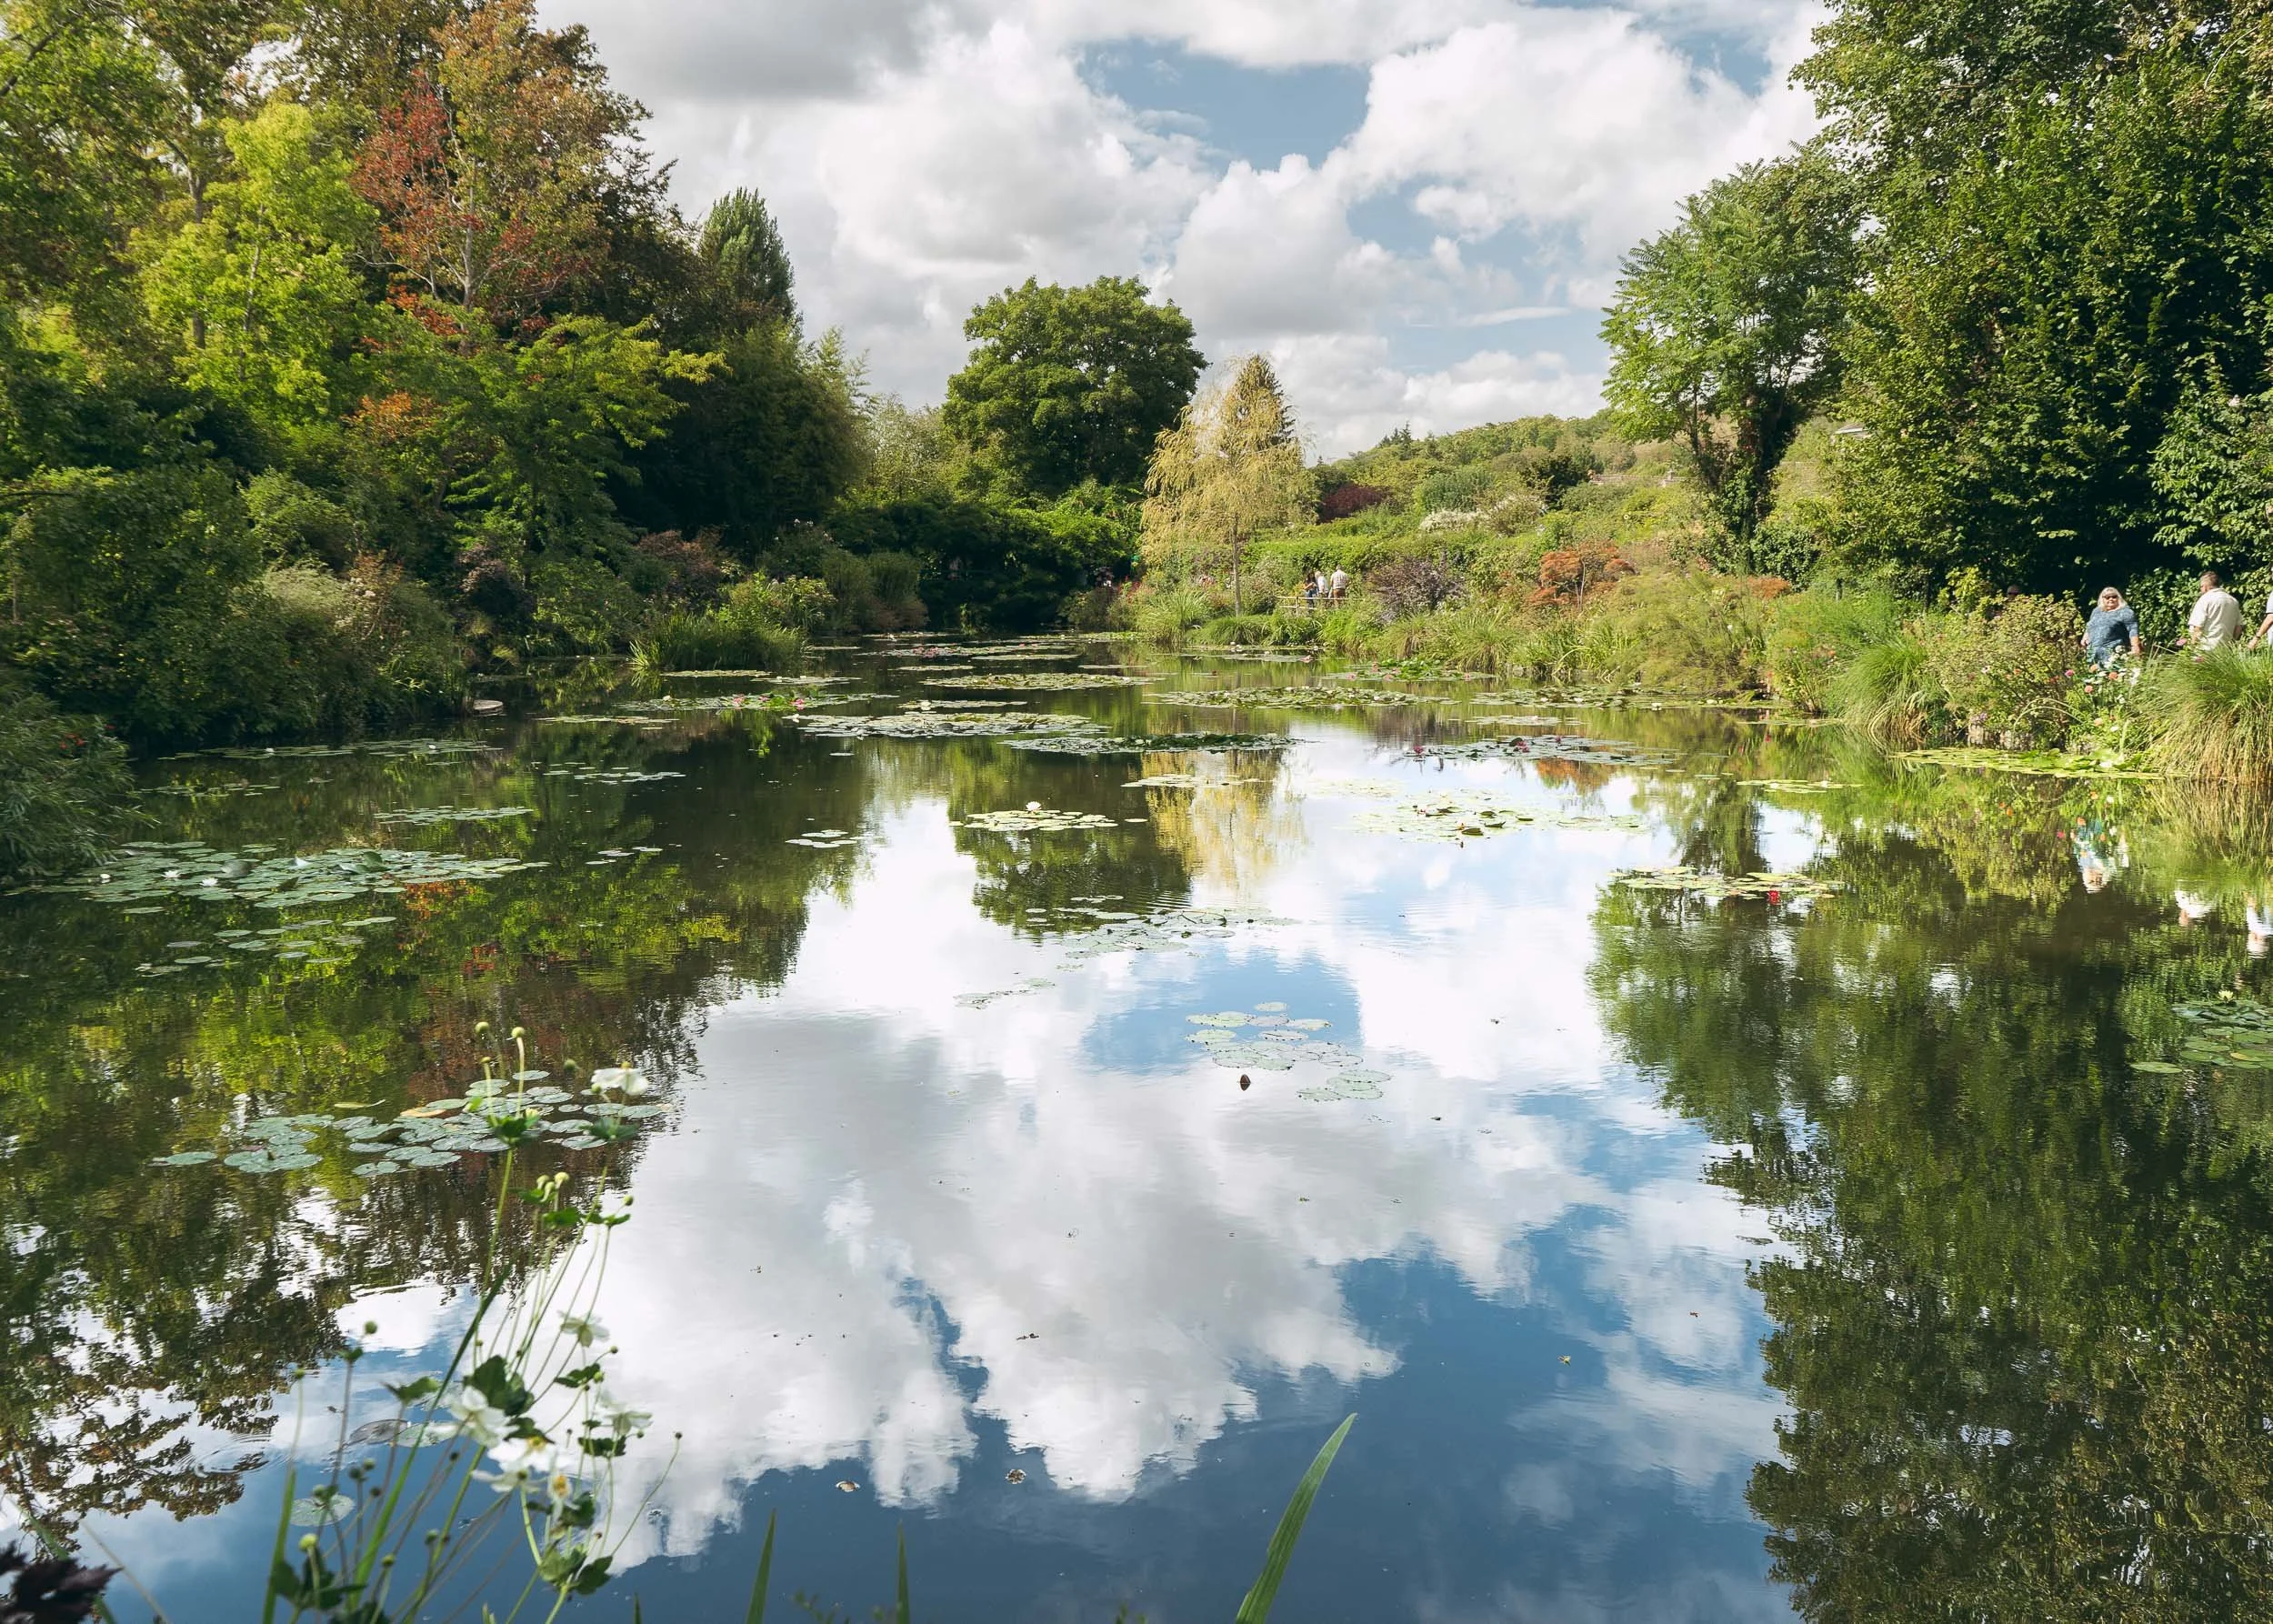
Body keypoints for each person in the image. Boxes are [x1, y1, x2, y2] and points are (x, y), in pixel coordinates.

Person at [2081, 586, 2140, 667]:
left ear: (2118, 598)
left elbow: (2133, 630)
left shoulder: (2125, 612)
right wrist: (2085, 637)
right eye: (2107, 597)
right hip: (2093, 653)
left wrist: (2135, 647)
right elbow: (2090, 626)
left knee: (2112, 673)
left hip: (2112, 655)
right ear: (2102, 599)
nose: (2111, 599)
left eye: (2114, 596)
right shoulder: (2096, 611)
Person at [2188, 570, 2244, 649]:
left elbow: (2198, 628)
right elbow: (2239, 627)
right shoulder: (2233, 600)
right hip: (2225, 650)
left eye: (2201, 587)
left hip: (2205, 650)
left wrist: (2191, 647)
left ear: (2205, 586)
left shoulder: (2205, 599)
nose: (2201, 590)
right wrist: (2232, 644)